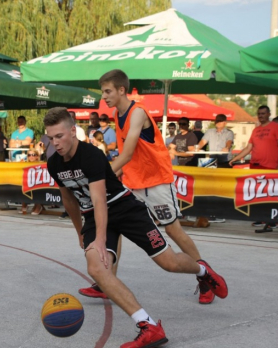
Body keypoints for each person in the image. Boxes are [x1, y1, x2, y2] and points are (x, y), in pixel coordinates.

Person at [44, 107, 227, 348]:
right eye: (50, 137)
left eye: (59, 136)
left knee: (169, 263)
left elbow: (100, 199)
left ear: (73, 132)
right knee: (96, 268)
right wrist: (79, 231)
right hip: (92, 215)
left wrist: (99, 239)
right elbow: (68, 199)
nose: (55, 142)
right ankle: (148, 326)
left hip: (124, 208)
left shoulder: (91, 155)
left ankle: (203, 271)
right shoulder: (54, 163)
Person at [92, 69, 223, 304]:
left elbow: (129, 152)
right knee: (115, 224)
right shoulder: (116, 113)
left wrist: (101, 176)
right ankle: (108, 281)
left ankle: (205, 277)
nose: (104, 96)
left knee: (173, 230)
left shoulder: (137, 113)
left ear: (122, 90)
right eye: (103, 92)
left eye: (108, 91)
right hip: (133, 181)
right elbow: (125, 154)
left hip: (155, 181)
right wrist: (112, 176)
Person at [229, 105, 278, 230]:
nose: (261, 116)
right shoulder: (255, 130)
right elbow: (249, 147)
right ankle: (261, 217)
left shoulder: (276, 127)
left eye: (263, 113)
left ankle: (272, 220)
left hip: (270, 166)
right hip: (255, 165)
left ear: (269, 114)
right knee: (258, 194)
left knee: (271, 193)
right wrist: (235, 158)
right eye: (259, 113)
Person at [19, 150, 44, 215]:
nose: (31, 157)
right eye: (29, 155)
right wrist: (20, 164)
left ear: (37, 156)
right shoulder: (25, 163)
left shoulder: (41, 164)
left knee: (36, 186)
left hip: (38, 183)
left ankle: (38, 206)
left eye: (33, 155)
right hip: (28, 182)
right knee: (22, 185)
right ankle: (24, 205)